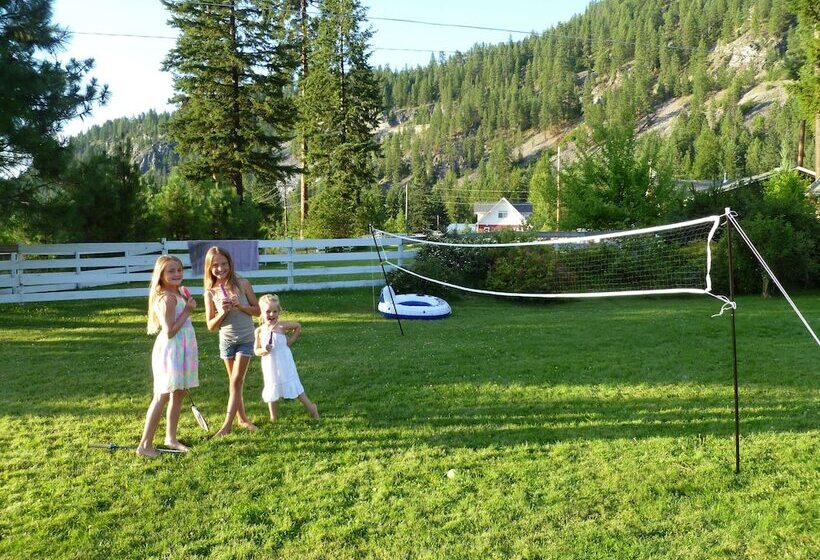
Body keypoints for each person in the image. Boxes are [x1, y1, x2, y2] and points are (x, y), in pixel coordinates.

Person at [137, 255, 199, 457]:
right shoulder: (167, 298)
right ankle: (145, 445)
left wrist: (186, 306)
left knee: (179, 393)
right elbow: (170, 331)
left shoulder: (178, 293)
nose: (176, 274)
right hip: (171, 351)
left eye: (179, 270)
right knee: (162, 395)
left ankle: (170, 438)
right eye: (171, 271)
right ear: (161, 275)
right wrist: (187, 311)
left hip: (183, 348)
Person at [203, 246, 261, 437]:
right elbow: (211, 326)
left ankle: (226, 426)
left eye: (224, 264)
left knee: (236, 381)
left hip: (246, 339)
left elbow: (258, 311)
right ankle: (242, 419)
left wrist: (240, 306)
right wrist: (223, 312)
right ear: (209, 268)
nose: (220, 269)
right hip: (227, 342)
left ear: (230, 264)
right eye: (215, 266)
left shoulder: (243, 284)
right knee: (234, 383)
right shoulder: (210, 293)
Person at [254, 294, 319, 421]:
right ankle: (273, 417)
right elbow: (256, 351)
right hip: (269, 364)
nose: (271, 314)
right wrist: (264, 350)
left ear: (279, 312)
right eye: (268, 311)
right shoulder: (259, 331)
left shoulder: (281, 326)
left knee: (294, 385)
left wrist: (290, 341)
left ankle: (312, 409)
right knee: (271, 386)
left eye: (275, 311)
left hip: (284, 362)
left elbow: (297, 326)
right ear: (261, 311)